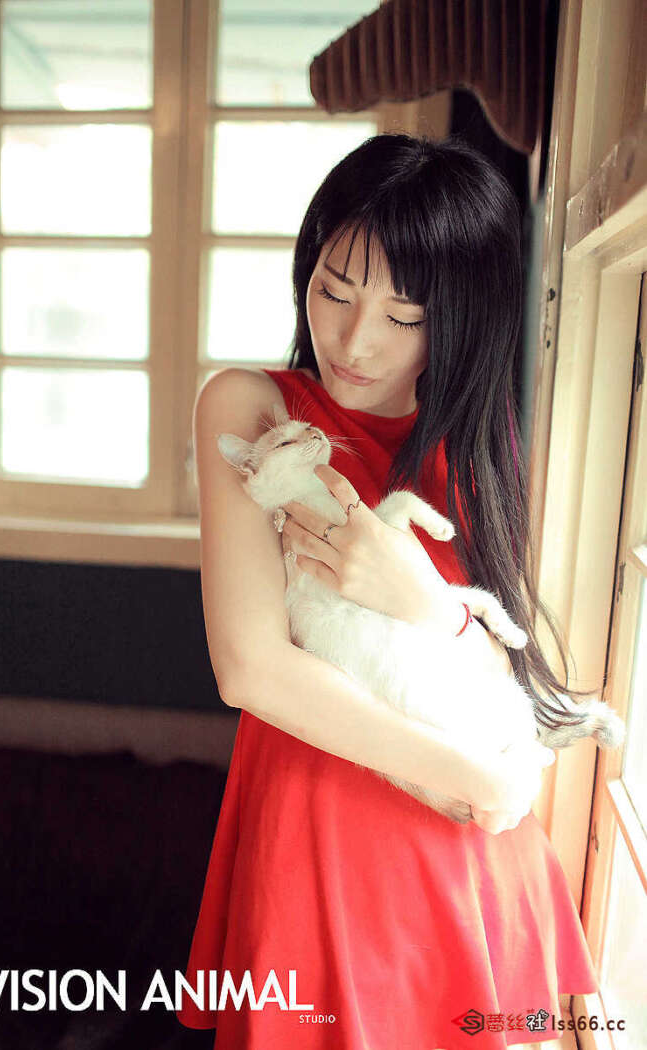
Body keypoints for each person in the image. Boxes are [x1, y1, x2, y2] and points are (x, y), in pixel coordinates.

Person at [176, 134, 600, 1049]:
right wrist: (482, 777)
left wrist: (426, 604)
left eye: (405, 316)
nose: (354, 340)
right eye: (334, 291)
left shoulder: (479, 451)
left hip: (469, 857)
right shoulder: (252, 410)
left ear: (461, 320)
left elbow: (500, 677)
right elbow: (250, 668)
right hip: (328, 837)